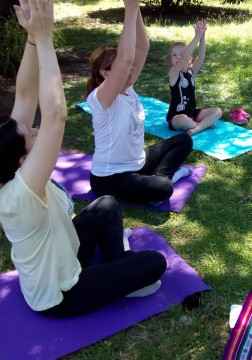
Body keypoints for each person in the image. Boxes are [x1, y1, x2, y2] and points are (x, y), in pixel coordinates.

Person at [0, 0, 166, 318]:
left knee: (106, 204)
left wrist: (33, 38)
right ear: (22, 159)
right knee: (155, 264)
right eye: (31, 135)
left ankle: (118, 266)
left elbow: (25, 95)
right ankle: (121, 270)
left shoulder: (11, 164)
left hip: (67, 252)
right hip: (60, 294)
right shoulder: (20, 192)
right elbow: (55, 116)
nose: (35, 130)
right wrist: (47, 40)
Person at [86, 0, 193, 205]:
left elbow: (142, 47)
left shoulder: (128, 87)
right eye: (118, 67)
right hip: (109, 178)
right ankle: (162, 181)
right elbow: (126, 60)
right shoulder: (102, 99)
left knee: (183, 140)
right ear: (105, 73)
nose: (129, 67)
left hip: (138, 163)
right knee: (164, 188)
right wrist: (130, 8)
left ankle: (158, 177)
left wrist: (135, 9)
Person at [166, 18, 222, 136]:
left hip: (192, 112)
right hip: (176, 117)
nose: (178, 57)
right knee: (182, 119)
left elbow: (201, 56)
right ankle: (202, 124)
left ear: (189, 57)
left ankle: (196, 128)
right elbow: (184, 59)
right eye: (174, 55)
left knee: (217, 111)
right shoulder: (173, 73)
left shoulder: (191, 72)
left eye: (181, 54)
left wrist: (202, 36)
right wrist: (196, 36)